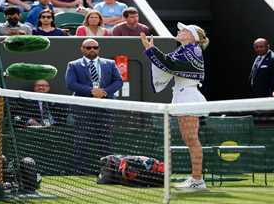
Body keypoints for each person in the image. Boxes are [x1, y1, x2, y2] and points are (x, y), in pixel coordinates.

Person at [140, 22, 209, 190]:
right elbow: (169, 63)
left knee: (192, 139)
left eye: (184, 30)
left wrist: (151, 50)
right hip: (182, 96)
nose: (180, 31)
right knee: (188, 139)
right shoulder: (184, 50)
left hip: (188, 97)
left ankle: (197, 180)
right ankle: (196, 179)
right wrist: (152, 50)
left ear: (193, 36)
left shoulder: (194, 50)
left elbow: (171, 65)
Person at [65, 38, 123, 174]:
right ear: (82, 49)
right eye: (88, 47)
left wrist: (104, 92)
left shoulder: (110, 63)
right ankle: (79, 171)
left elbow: (118, 81)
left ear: (99, 49)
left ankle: (109, 170)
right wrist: (91, 91)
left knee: (106, 140)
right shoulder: (73, 65)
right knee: (82, 139)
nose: (92, 50)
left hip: (105, 107)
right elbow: (71, 84)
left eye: (95, 47)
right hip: (83, 107)